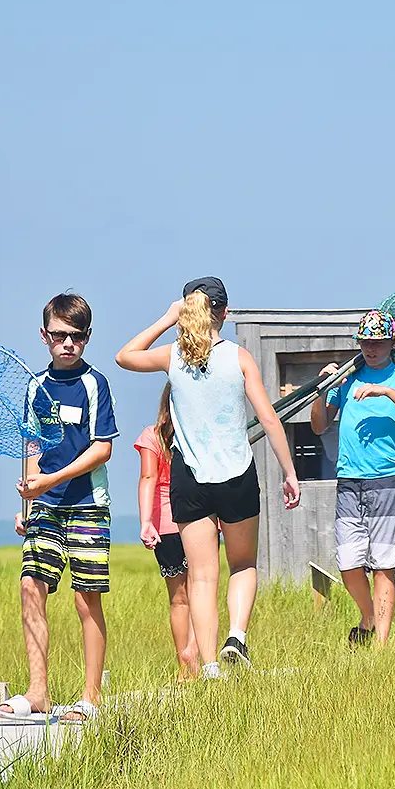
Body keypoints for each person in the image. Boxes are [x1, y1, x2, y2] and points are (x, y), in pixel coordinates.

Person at [116, 277, 301, 678]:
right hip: (236, 475)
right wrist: (289, 472)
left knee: (201, 577)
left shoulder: (172, 357)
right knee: (242, 565)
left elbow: (125, 356)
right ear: (225, 313)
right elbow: (269, 419)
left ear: (188, 311)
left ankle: (211, 665)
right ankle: (236, 635)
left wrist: (166, 319)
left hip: (190, 479)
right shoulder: (239, 357)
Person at [0, 293, 118, 725]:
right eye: (60, 335)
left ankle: (90, 697)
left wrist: (53, 479)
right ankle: (38, 691)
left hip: (87, 504)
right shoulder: (35, 387)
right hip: (44, 505)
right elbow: (30, 446)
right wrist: (27, 500)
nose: (68, 344)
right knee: (31, 586)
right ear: (45, 335)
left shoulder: (95, 384)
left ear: (87, 338)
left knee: (86, 599)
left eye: (77, 336)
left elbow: (102, 449)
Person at [310, 309, 395, 647]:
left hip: (389, 482)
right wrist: (323, 389)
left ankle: (380, 644)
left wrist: (387, 393)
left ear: (392, 344)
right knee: (349, 563)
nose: (371, 349)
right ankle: (367, 617)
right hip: (349, 480)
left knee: (384, 565)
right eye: (365, 342)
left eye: (378, 343)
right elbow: (319, 425)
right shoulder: (348, 377)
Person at [134, 383, 200, 679]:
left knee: (178, 598)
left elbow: (148, 477)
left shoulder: (153, 435)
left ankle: (184, 667)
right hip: (199, 516)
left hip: (164, 523)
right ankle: (199, 653)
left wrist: (145, 521)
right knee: (204, 589)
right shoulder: (200, 433)